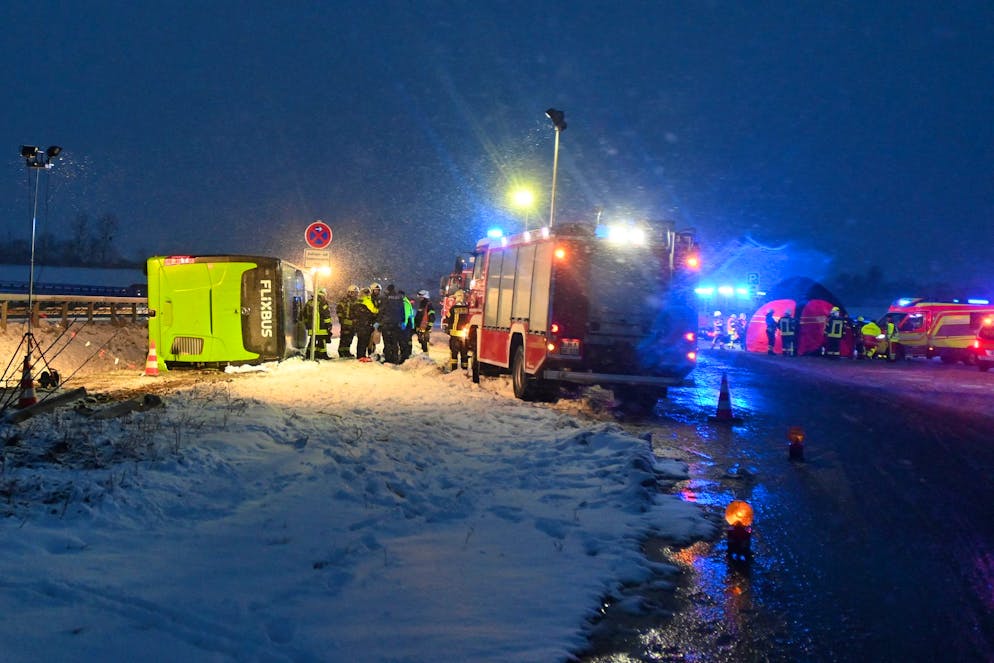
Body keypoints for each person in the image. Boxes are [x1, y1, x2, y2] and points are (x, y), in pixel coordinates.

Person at [378, 284, 407, 364]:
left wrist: (378, 321)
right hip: (396, 324)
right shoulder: (399, 298)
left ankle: (388, 358)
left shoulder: (386, 298)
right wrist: (402, 321)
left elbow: (381, 310)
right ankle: (395, 358)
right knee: (394, 342)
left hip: (387, 323)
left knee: (387, 342)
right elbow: (402, 311)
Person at [302, 288, 333, 359]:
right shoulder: (323, 303)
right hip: (321, 327)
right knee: (322, 341)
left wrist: (307, 324)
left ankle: (309, 354)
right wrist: (329, 325)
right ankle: (322, 355)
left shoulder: (309, 303)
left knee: (312, 341)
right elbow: (326, 315)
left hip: (312, 327)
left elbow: (304, 314)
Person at [445, 288, 470, 372]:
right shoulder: (468, 308)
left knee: (454, 355)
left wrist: (448, 328)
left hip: (454, 336)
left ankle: (454, 370)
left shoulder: (453, 308)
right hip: (465, 337)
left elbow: (447, 318)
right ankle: (464, 370)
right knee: (464, 354)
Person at [336, 285, 360, 358]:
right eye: (354, 293)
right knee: (344, 338)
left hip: (353, 323)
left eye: (356, 293)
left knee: (350, 338)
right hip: (346, 323)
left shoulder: (356, 301)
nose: (355, 295)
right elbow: (339, 310)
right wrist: (342, 320)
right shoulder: (344, 300)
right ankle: (341, 351)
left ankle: (346, 351)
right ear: (349, 292)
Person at [355, 287, 379, 362]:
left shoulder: (358, 300)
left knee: (360, 340)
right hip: (365, 323)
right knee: (364, 340)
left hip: (359, 323)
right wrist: (379, 310)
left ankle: (360, 355)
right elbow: (374, 310)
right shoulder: (367, 300)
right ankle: (362, 356)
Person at [415, 289, 436, 353]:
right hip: (421, 328)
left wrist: (428, 327)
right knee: (422, 342)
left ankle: (426, 356)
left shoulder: (428, 305)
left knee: (424, 343)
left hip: (425, 328)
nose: (419, 298)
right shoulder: (422, 304)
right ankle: (424, 355)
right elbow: (419, 316)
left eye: (421, 297)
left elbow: (432, 317)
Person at [399, 290, 416, 362]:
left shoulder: (405, 303)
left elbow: (405, 315)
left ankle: (404, 357)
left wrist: (404, 325)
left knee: (404, 342)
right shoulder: (406, 302)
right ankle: (406, 355)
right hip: (409, 325)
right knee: (407, 341)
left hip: (406, 325)